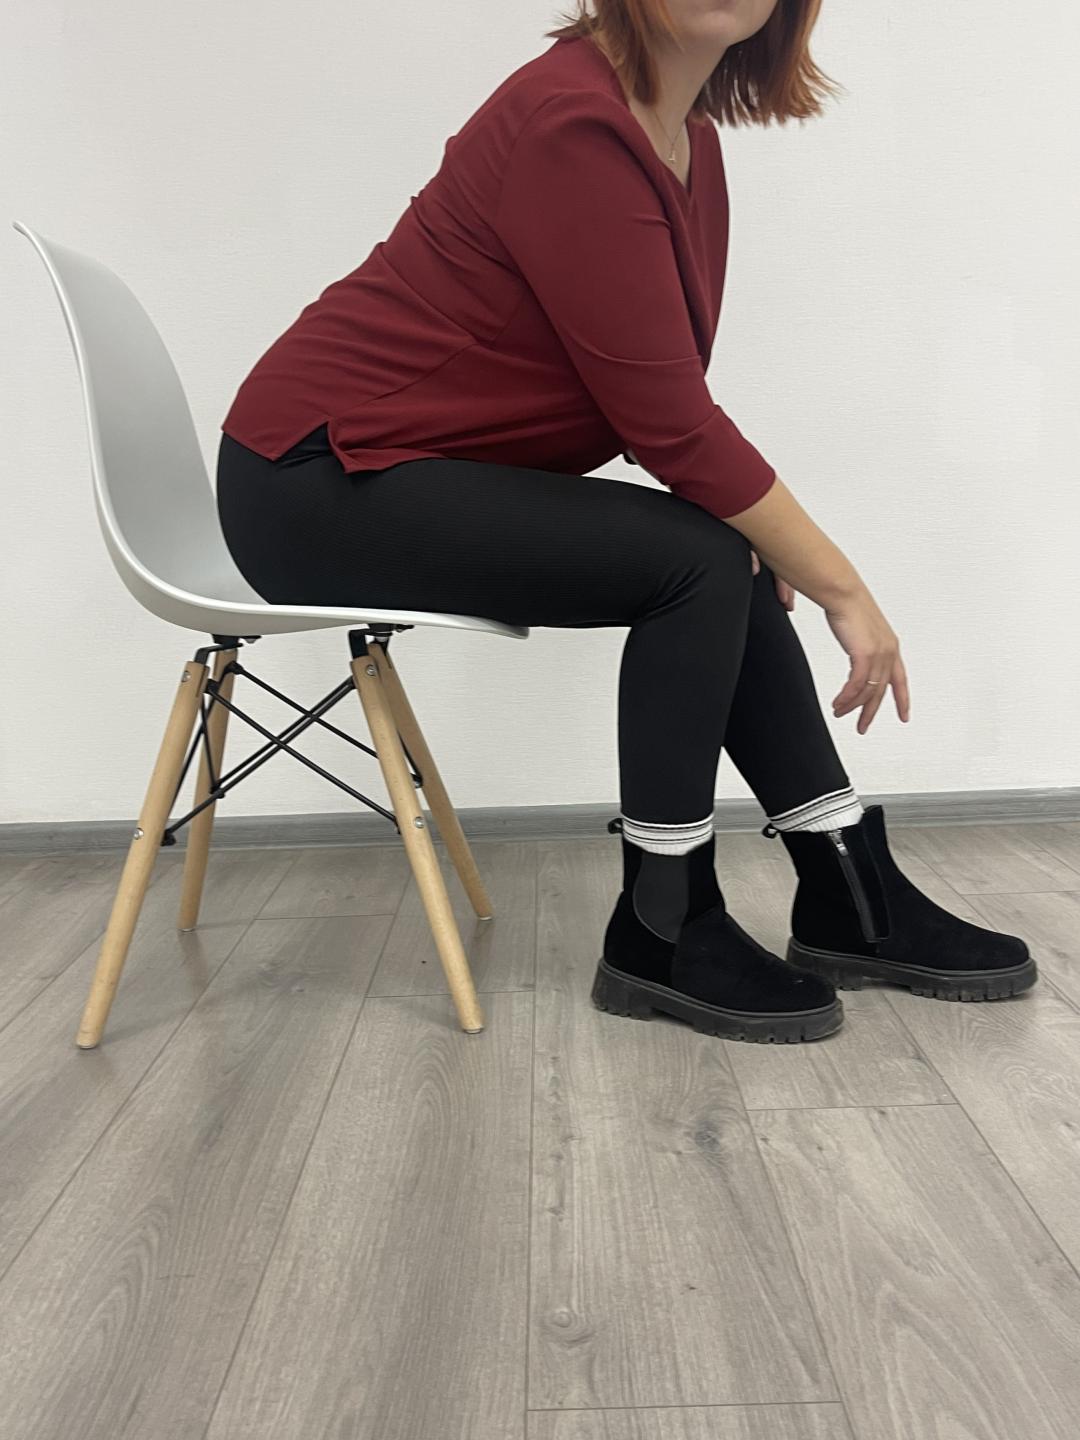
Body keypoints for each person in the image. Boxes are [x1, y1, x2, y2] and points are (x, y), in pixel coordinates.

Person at [215, 1, 1036, 1043]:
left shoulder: (685, 140)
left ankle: (849, 894)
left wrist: (764, 537)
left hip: (395, 464)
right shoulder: (572, 121)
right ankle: (663, 926)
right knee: (699, 555)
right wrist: (843, 588)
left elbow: (658, 395)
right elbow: (670, 423)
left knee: (721, 548)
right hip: (313, 477)